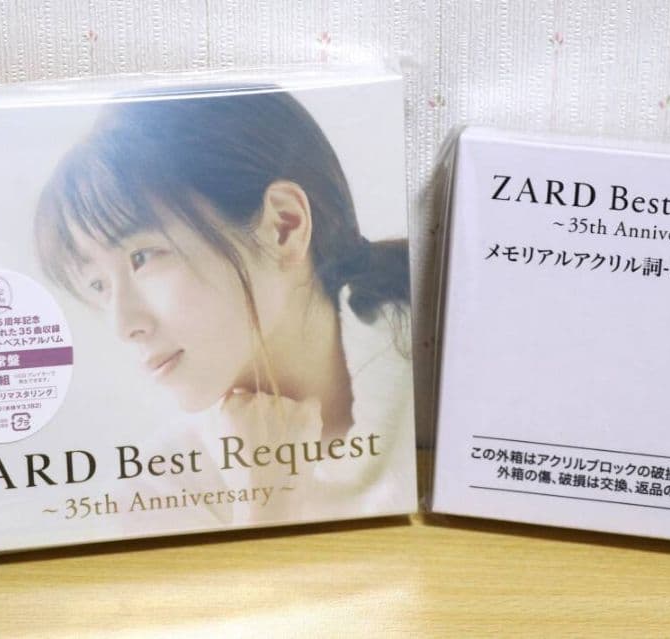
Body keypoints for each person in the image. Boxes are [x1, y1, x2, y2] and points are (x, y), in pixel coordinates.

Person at [33, 85, 414, 523]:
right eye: (98, 285)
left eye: (142, 257)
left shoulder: (441, 363)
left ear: (283, 227)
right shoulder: (154, 492)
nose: (123, 325)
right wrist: (266, 505)